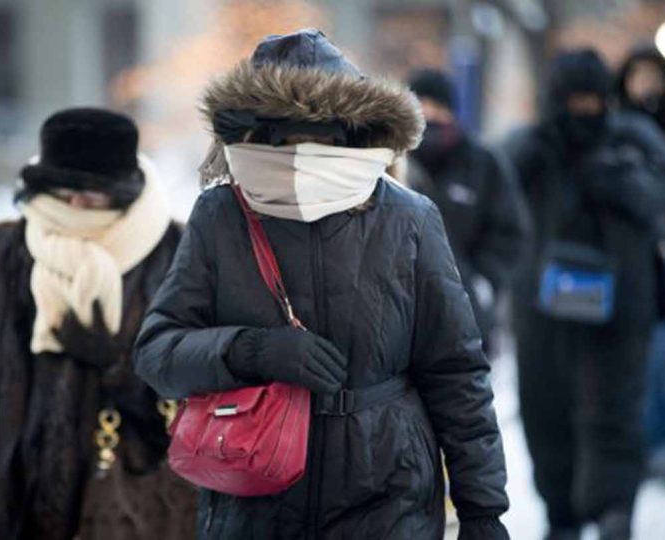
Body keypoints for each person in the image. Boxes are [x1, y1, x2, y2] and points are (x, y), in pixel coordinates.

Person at [135, 29, 509, 540]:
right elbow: (158, 354)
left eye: (319, 134)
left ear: (350, 130)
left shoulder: (409, 219)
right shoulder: (220, 215)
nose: (302, 152)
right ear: (256, 133)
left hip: (387, 497)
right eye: (287, 135)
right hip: (254, 499)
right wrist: (252, 351)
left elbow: (455, 371)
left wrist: (483, 507)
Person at [0, 108, 197, 539]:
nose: (73, 205)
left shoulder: (174, 252)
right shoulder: (9, 251)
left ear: (123, 191)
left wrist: (115, 366)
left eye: (90, 193)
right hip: (19, 504)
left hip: (136, 506)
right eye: (62, 190)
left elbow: (195, 391)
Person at [505, 49, 665, 540]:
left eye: (592, 101)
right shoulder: (529, 147)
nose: (583, 112)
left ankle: (613, 513)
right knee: (547, 414)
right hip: (543, 308)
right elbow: (494, 202)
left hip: (623, 304)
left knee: (616, 415)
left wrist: (621, 181)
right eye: (574, 101)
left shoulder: (631, 138)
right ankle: (561, 515)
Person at [406, 68, 530, 353]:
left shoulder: (482, 164)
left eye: (438, 107)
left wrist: (482, 283)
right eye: (421, 106)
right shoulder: (390, 160)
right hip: (402, 317)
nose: (430, 115)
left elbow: (511, 232)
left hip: (467, 318)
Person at [617, 46, 665, 488]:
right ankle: (643, 443)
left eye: (652, 75)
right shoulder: (615, 128)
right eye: (637, 74)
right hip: (630, 260)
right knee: (638, 358)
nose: (645, 84)